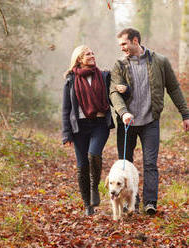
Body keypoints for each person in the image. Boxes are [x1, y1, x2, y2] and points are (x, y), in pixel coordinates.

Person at [110, 28, 189, 215]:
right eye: (120, 45)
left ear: (135, 40)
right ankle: (131, 203)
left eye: (124, 44)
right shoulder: (119, 65)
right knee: (124, 164)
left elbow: (174, 89)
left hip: (150, 122)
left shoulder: (160, 61)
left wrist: (185, 114)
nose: (122, 48)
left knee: (150, 164)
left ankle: (150, 203)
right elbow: (114, 93)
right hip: (127, 123)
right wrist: (123, 113)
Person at [62, 45, 123, 215]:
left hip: (99, 124)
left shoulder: (103, 75)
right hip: (79, 127)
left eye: (92, 53)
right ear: (79, 59)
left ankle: (95, 186)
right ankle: (88, 205)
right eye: (87, 54)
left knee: (93, 154)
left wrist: (124, 90)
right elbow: (66, 108)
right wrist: (66, 133)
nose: (92, 55)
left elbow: (114, 95)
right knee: (82, 166)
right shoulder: (71, 79)